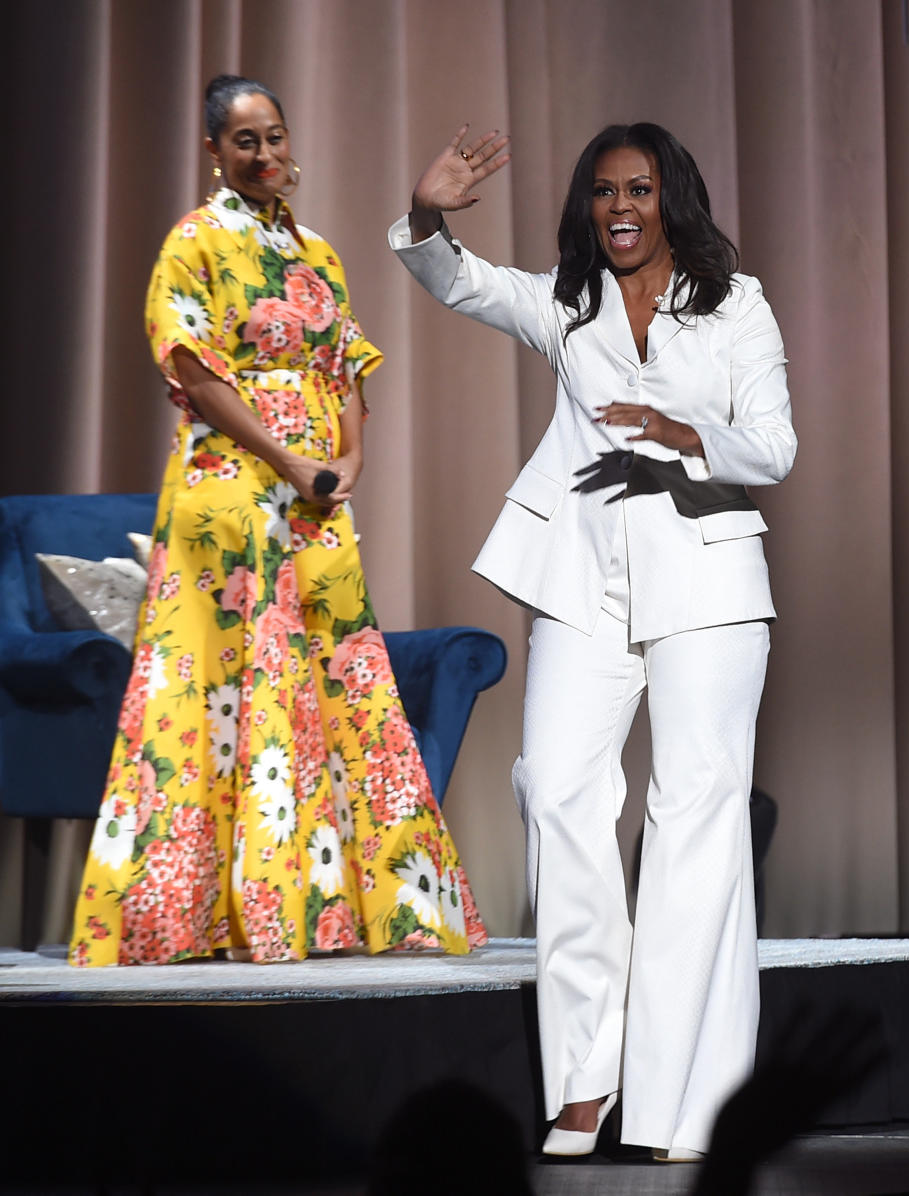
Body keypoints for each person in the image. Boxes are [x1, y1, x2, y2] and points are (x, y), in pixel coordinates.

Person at [389, 122, 796, 1159]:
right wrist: (429, 211)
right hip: (581, 576)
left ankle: (682, 1103)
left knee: (695, 816)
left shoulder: (735, 304)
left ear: (673, 200)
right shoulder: (566, 303)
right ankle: (585, 1078)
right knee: (560, 790)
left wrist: (685, 434)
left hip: (706, 571)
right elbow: (462, 282)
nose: (621, 206)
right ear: (588, 207)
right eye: (604, 191)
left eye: (640, 189)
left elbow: (777, 444)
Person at [69, 75, 486, 966]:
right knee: (224, 696)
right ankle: (205, 916)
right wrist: (288, 458)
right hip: (229, 490)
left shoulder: (319, 253)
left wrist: (348, 461)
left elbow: (346, 368)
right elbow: (194, 367)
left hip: (316, 495)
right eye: (245, 141)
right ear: (215, 151)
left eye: (275, 136)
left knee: (338, 682)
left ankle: (333, 911)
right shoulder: (194, 241)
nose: (265, 155)